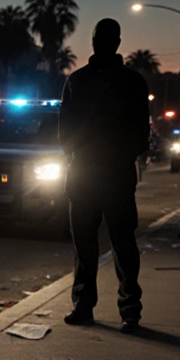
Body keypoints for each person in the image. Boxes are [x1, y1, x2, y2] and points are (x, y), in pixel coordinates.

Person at [58, 18, 150, 332]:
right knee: (109, 244)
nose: (102, 42)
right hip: (104, 173)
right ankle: (121, 310)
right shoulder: (128, 82)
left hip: (96, 173)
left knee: (104, 245)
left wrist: (81, 153)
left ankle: (104, 308)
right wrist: (120, 155)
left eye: (104, 38)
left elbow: (65, 130)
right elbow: (140, 133)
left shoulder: (81, 81)